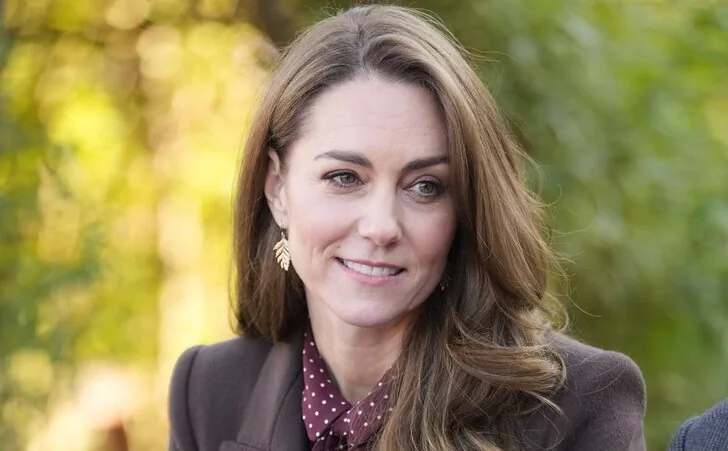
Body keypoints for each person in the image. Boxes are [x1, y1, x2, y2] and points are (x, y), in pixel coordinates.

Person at [167, 5, 646, 450]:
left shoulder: (582, 402)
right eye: (344, 178)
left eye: (425, 187)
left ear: (464, 208)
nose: (381, 227)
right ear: (277, 189)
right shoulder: (207, 390)